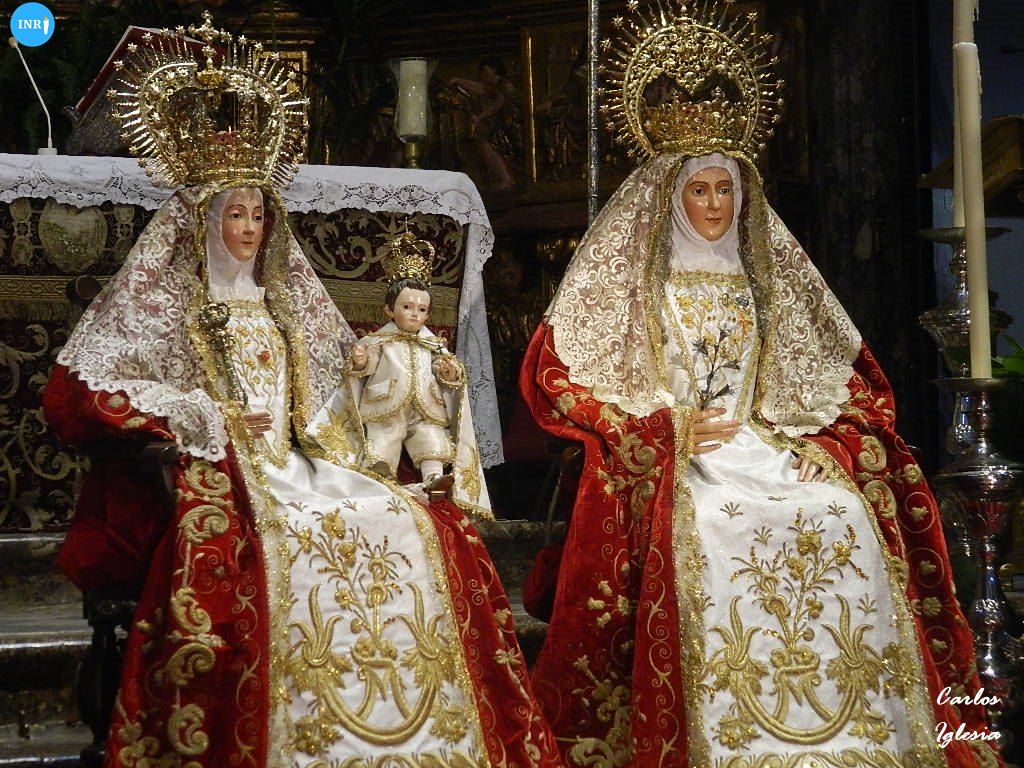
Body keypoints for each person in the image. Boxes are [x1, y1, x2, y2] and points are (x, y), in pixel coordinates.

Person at [44, 15, 560, 768]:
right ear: (201, 220)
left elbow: (336, 384)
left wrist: (404, 380)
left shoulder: (284, 300)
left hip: (300, 460)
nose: (250, 229)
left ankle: (425, 732)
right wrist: (205, 415)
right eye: (234, 214)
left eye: (259, 214)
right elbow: (90, 388)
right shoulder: (167, 299)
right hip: (225, 465)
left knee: (410, 519)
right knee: (273, 541)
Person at [520, 3, 999, 767]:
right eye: (700, 191)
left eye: (725, 189)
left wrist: (824, 444)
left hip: (761, 444)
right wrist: (664, 431)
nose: (714, 205)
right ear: (670, 196)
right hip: (685, 455)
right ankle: (731, 736)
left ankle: (858, 733)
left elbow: (836, 381)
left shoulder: (765, 278)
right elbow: (565, 380)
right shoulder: (632, 283)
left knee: (839, 508)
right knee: (715, 522)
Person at [347, 271, 470, 499]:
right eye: (407, 307)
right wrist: (360, 362)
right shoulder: (378, 340)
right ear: (389, 310)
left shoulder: (433, 344)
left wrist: (449, 373)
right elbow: (365, 365)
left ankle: (434, 479)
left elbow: (445, 369)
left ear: (428, 314)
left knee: (430, 435)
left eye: (422, 310)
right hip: (386, 402)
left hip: (426, 404)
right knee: (385, 435)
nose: (415, 314)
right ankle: (380, 473)